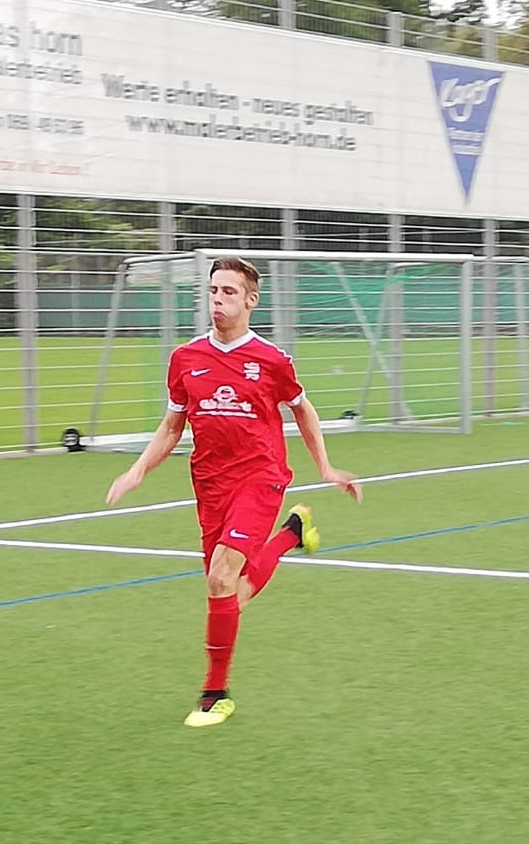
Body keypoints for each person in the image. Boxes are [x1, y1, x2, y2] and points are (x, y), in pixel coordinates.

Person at [105, 256, 362, 726]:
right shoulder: (185, 359)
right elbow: (171, 425)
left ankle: (214, 693)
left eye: (228, 292)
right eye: (213, 291)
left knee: (222, 578)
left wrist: (324, 466)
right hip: (210, 483)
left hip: (260, 477)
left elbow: (303, 411)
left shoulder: (272, 360)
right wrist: (139, 469)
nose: (217, 300)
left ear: (250, 299)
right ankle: (292, 533)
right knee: (228, 594)